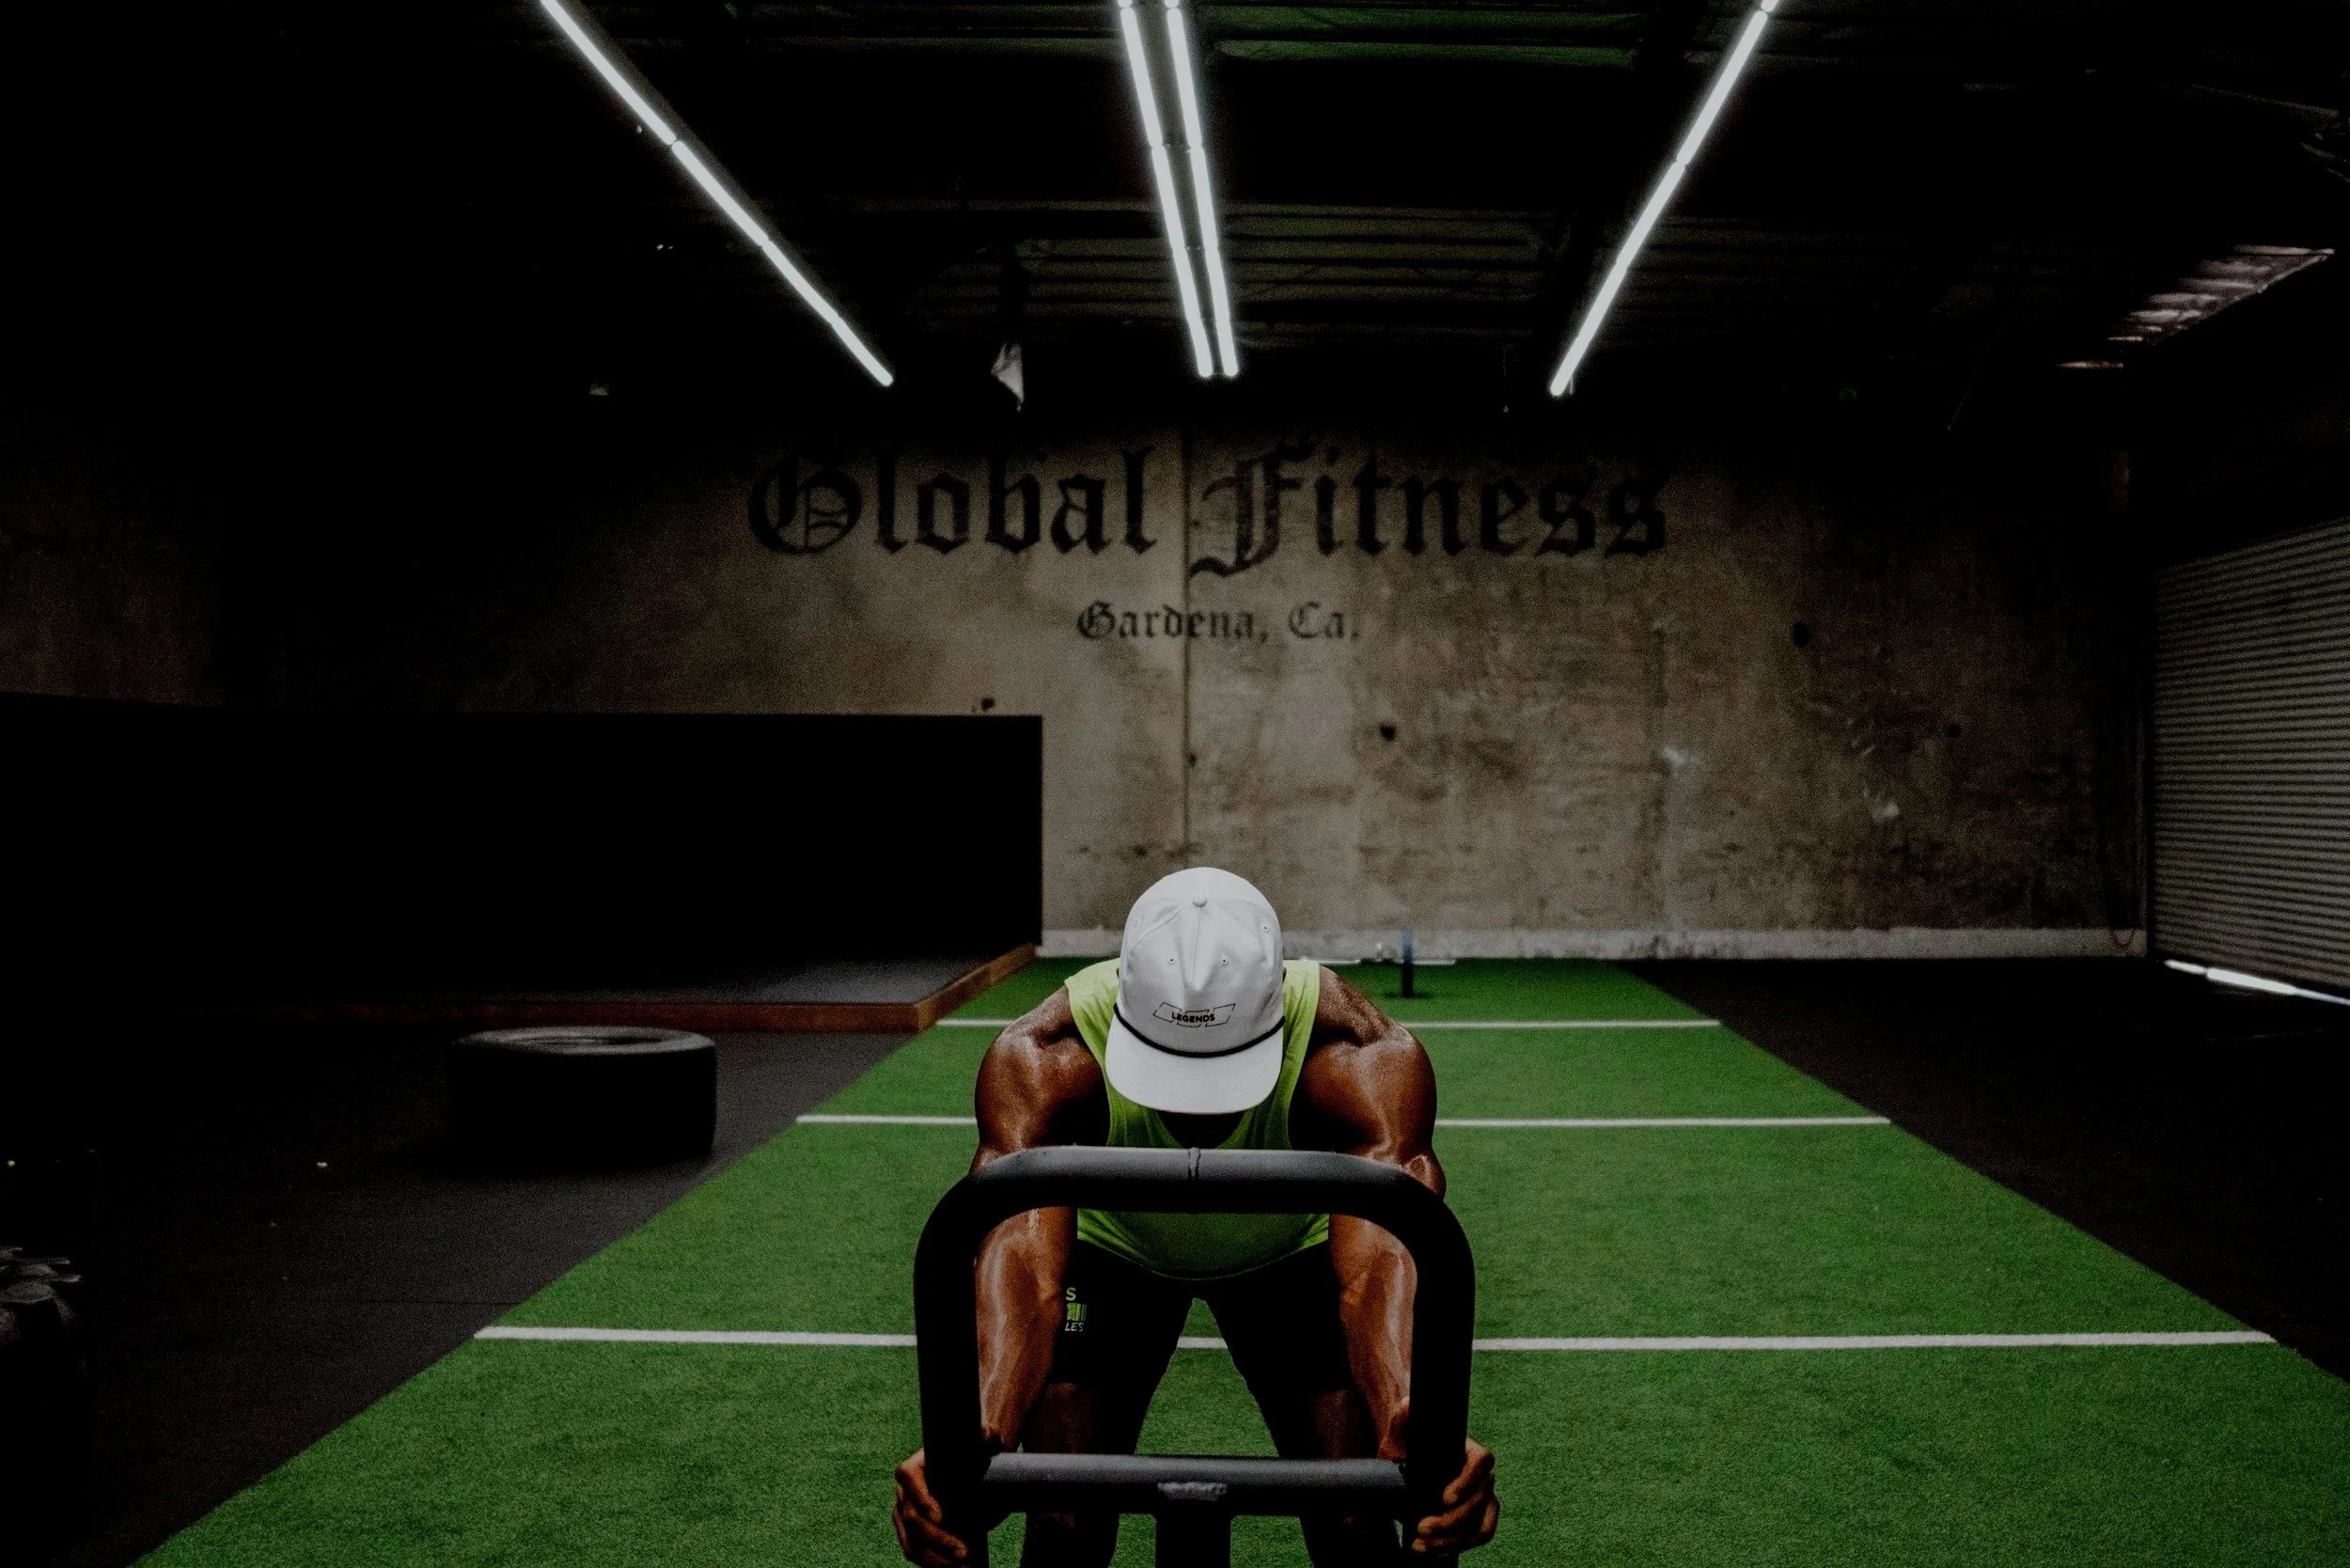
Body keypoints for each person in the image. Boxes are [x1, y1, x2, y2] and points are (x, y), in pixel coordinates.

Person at [894, 867, 1498, 1567]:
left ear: (1275, 1008)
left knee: (1355, 1517)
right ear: (1127, 999)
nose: (1198, 1112)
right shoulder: (1045, 1056)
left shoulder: (1360, 1055)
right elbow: (1024, 1265)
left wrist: (1411, 1410)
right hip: (1114, 1252)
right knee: (1060, 1518)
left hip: (1291, 1255)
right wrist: (979, 1429)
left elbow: (1382, 1259)